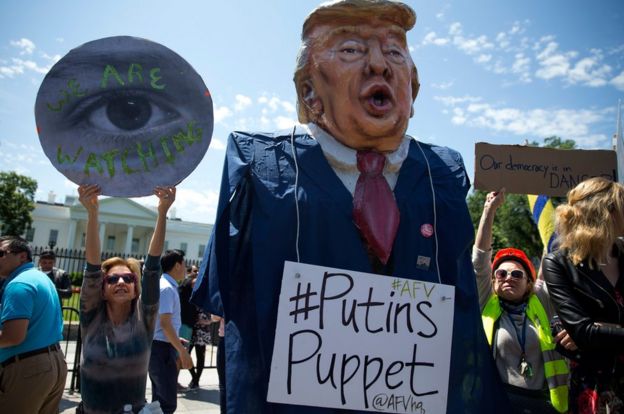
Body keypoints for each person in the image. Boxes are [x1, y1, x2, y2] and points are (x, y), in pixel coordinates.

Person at [191, 1, 510, 412]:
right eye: (351, 50)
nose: (379, 65)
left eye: (394, 52)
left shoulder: (441, 176)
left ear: (412, 88)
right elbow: (229, 302)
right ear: (309, 89)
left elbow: (461, 305)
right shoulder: (259, 167)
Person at [77, 184, 175, 414]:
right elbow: (92, 268)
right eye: (112, 280)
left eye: (128, 278)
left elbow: (152, 267)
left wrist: (162, 213)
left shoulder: (145, 318)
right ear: (102, 289)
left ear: (135, 287)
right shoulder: (92, 317)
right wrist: (93, 214)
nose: (121, 283)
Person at [473, 189, 571, 413]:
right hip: (498, 403)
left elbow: (554, 254)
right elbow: (480, 259)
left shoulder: (543, 299)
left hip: (544, 405)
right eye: (501, 273)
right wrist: (489, 209)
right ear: (493, 281)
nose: (508, 277)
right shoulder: (486, 301)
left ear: (529, 283)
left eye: (517, 274)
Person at [542, 177, 624, 413]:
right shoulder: (558, 263)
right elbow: (583, 331)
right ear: (605, 212)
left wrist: (600, 330)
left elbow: (587, 332)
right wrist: (587, 331)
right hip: (596, 388)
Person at [0, 236, 67, 413]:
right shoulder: (39, 278)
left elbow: (12, 337)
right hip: (55, 363)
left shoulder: (19, 284)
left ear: (22, 256)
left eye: (1, 253)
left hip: (28, 369)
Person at [149, 249, 193, 414]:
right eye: (184, 264)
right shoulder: (167, 288)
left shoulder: (166, 286)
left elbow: (163, 325)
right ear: (176, 265)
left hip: (161, 347)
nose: (185, 268)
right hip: (162, 350)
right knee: (166, 404)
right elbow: (165, 324)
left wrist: (176, 340)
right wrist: (182, 352)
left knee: (159, 403)